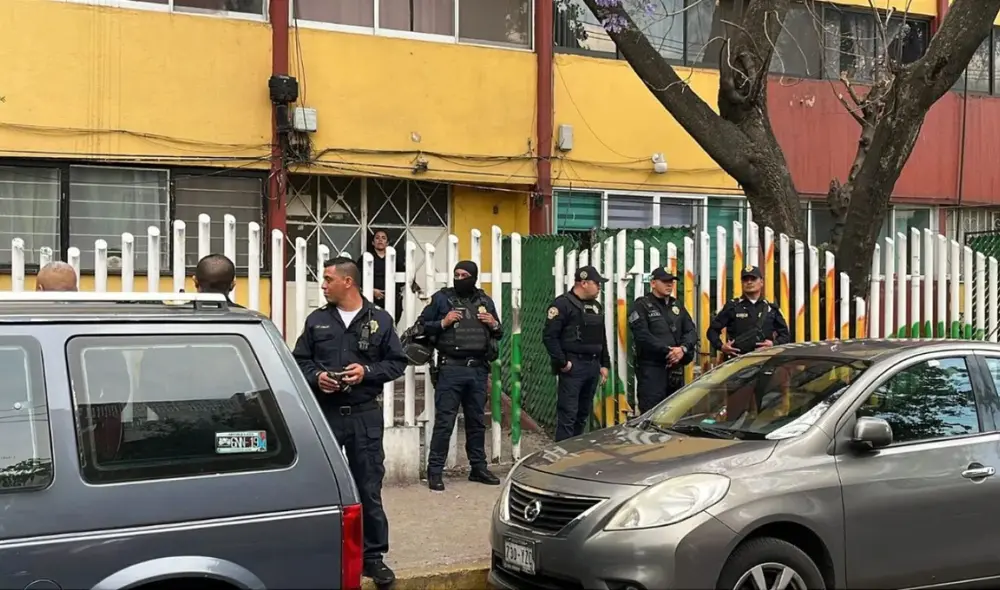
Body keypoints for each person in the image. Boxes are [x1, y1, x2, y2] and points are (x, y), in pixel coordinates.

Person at [292, 257, 406, 587]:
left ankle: (373, 557)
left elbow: (397, 362)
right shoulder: (317, 321)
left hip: (363, 415)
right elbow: (300, 360)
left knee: (368, 486)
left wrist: (366, 372)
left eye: (328, 279)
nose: (323, 285)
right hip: (325, 414)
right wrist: (318, 378)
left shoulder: (380, 320)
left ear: (348, 282)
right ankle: (319, 551)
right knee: (318, 485)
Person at [417, 261, 502, 492]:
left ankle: (478, 468)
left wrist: (493, 323)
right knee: (445, 422)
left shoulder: (484, 301)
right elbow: (421, 327)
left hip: (477, 369)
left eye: (464, 274)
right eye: (456, 274)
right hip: (451, 369)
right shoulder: (442, 299)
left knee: (476, 422)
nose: (459, 277)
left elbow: (500, 331)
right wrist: (444, 322)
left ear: (473, 277)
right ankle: (435, 471)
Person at [542, 266, 610, 442]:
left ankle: (576, 454)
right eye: (597, 284)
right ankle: (562, 456)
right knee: (568, 415)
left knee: (582, 414)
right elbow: (550, 337)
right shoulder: (562, 304)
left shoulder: (595, 306)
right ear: (584, 282)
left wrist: (604, 364)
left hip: (592, 365)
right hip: (574, 366)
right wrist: (563, 363)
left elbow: (601, 337)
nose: (599, 288)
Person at [628, 267, 698, 413]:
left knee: (675, 413)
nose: (669, 285)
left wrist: (683, 349)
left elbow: (691, 331)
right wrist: (669, 351)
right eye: (665, 281)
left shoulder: (676, 305)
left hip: (675, 370)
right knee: (651, 413)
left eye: (671, 281)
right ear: (653, 283)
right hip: (652, 369)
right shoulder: (642, 305)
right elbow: (642, 336)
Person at [707, 265, 791, 359]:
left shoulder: (770, 309)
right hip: (737, 361)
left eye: (753, 279)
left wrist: (774, 344)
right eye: (745, 279)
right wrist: (721, 346)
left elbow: (785, 335)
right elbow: (712, 331)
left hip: (763, 361)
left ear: (761, 282)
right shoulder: (733, 306)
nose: (749, 282)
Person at [358, 230, 403, 322]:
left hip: (392, 297)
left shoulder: (395, 259)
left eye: (383, 238)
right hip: (371, 297)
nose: (380, 240)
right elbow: (358, 277)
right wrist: (372, 290)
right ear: (373, 242)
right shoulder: (366, 258)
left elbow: (401, 277)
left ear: (387, 242)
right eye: (377, 238)